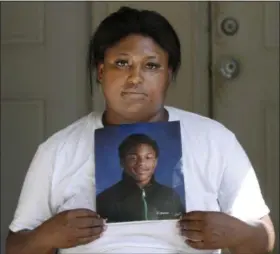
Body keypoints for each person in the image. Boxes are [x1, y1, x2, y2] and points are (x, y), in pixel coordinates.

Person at [6, 6, 275, 254]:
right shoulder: (58, 150)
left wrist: (236, 233)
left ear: (168, 75)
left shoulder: (215, 140)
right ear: (101, 71)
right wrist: (46, 237)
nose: (135, 78)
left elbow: (263, 239)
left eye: (151, 66)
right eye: (122, 63)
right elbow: (16, 246)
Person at [96, 133, 185, 222]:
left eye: (148, 157)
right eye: (133, 158)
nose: (141, 163)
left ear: (155, 162)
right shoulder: (105, 199)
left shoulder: (170, 196)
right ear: (122, 162)